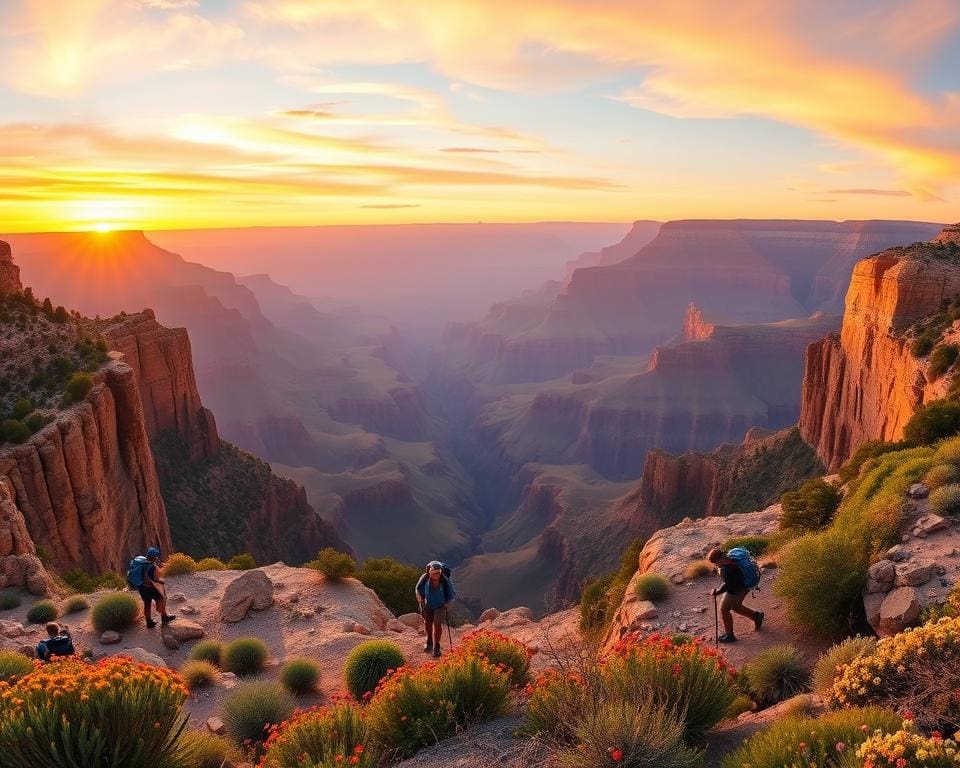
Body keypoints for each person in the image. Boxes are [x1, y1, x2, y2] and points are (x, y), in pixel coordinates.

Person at [707, 547, 764, 643]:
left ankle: (729, 635)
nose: (716, 565)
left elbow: (729, 585)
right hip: (745, 587)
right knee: (736, 606)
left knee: (724, 609)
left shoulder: (727, 569)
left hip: (736, 591)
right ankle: (756, 616)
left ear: (721, 558)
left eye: (716, 562)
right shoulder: (731, 559)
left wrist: (717, 592)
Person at [415, 560, 454, 658]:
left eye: (438, 573)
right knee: (428, 623)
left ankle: (436, 646)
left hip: (440, 605)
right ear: (430, 573)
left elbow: (451, 594)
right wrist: (421, 600)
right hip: (428, 604)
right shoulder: (424, 579)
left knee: (437, 624)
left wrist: (447, 603)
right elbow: (418, 589)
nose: (436, 576)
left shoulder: (444, 580)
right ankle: (429, 641)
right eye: (434, 574)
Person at [139, 546, 176, 628]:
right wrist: (161, 581)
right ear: (153, 557)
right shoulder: (152, 567)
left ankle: (149, 622)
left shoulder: (142, 563)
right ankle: (164, 617)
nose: (157, 558)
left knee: (147, 604)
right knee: (162, 599)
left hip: (142, 588)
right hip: (151, 588)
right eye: (156, 556)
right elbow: (155, 580)